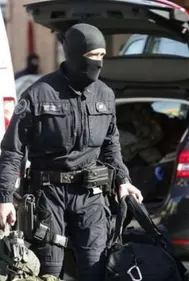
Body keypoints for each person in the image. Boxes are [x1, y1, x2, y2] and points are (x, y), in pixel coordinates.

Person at [0, 23, 143, 281]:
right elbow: (12, 150)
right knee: (49, 270)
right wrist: (5, 197)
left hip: (91, 195)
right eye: (93, 56)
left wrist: (123, 180)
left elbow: (111, 144)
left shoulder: (105, 94)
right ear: (76, 54)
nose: (99, 62)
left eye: (102, 55)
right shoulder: (38, 94)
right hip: (48, 195)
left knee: (95, 267)